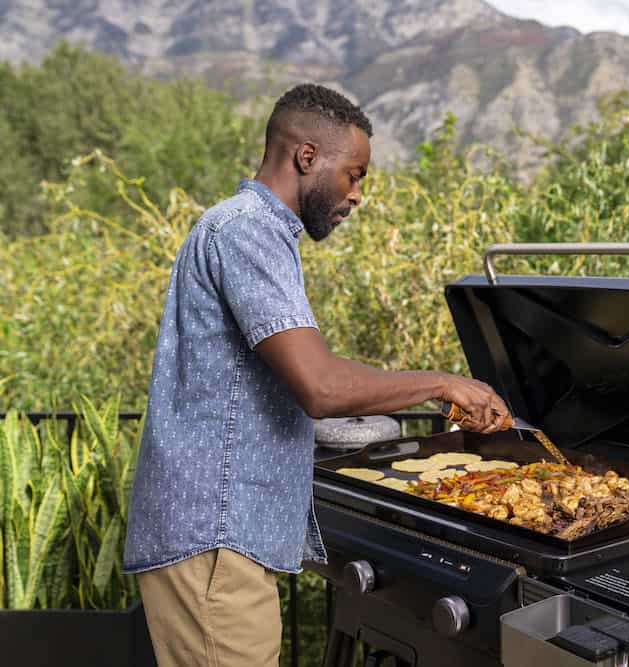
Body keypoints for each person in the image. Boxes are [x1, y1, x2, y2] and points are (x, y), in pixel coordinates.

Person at [123, 83, 511, 667]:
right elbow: (321, 386)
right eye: (354, 174)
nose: (357, 195)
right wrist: (441, 382)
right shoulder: (246, 232)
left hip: (222, 538)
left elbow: (256, 389)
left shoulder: (254, 232)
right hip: (215, 535)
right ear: (307, 157)